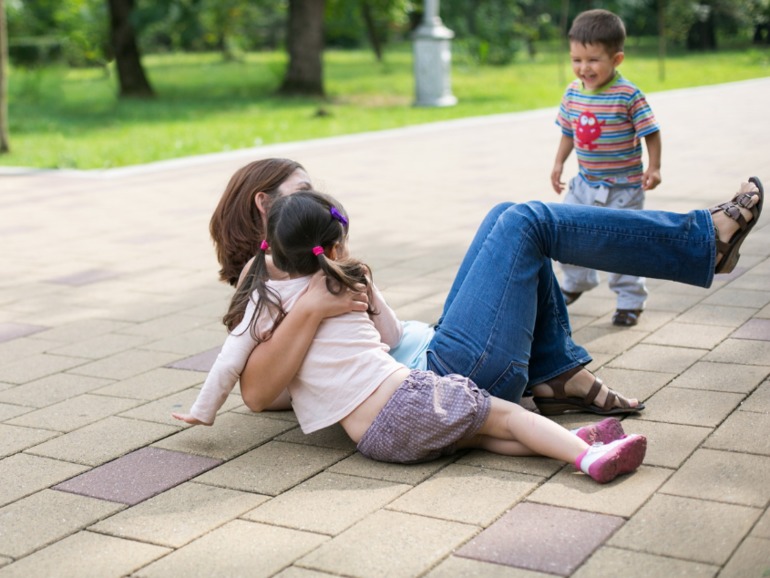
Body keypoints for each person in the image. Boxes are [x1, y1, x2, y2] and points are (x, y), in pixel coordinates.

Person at [205, 159, 762, 418]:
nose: (323, 204)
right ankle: (701, 242)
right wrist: (312, 310)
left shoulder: (299, 273)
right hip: (439, 380)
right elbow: (258, 397)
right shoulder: (267, 295)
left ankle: (557, 373)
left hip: (440, 351)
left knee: (507, 215)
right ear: (265, 204)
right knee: (527, 224)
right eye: (305, 192)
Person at [173, 191, 648, 483]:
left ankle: (576, 441)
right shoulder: (347, 279)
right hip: (409, 396)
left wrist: (203, 410)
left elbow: (229, 360)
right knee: (504, 419)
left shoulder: (262, 297)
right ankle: (586, 456)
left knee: (483, 436)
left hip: (373, 440)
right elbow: (392, 334)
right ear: (333, 245)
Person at [550, 9, 662, 328]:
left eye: (593, 60)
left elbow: (651, 132)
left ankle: (630, 300)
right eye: (576, 60)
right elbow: (568, 132)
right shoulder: (572, 93)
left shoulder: (628, 95)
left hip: (624, 188)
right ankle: (577, 280)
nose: (583, 68)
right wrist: (558, 163)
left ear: (617, 58)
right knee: (564, 233)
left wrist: (654, 167)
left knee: (622, 247)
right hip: (583, 183)